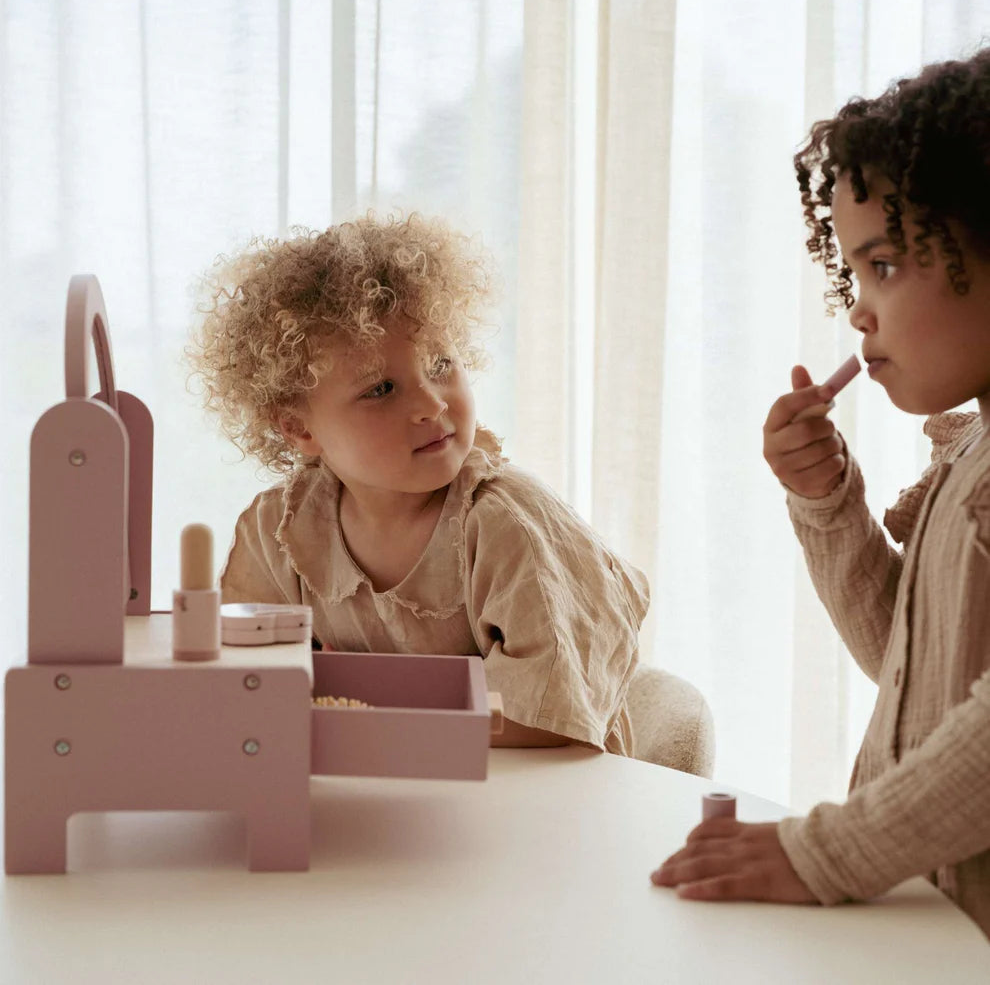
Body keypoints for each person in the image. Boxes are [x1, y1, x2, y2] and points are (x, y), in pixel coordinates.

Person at [651, 46, 990, 937]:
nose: (858, 312)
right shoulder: (973, 452)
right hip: (933, 929)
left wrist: (825, 853)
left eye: (884, 265)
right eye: (854, 271)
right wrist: (828, 504)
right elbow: (915, 671)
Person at [188, 213, 649, 753]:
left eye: (441, 364)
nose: (432, 404)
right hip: (386, 795)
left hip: (538, 798)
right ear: (298, 427)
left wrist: (370, 721)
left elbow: (547, 716)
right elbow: (249, 679)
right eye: (382, 388)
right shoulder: (282, 531)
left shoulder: (507, 526)